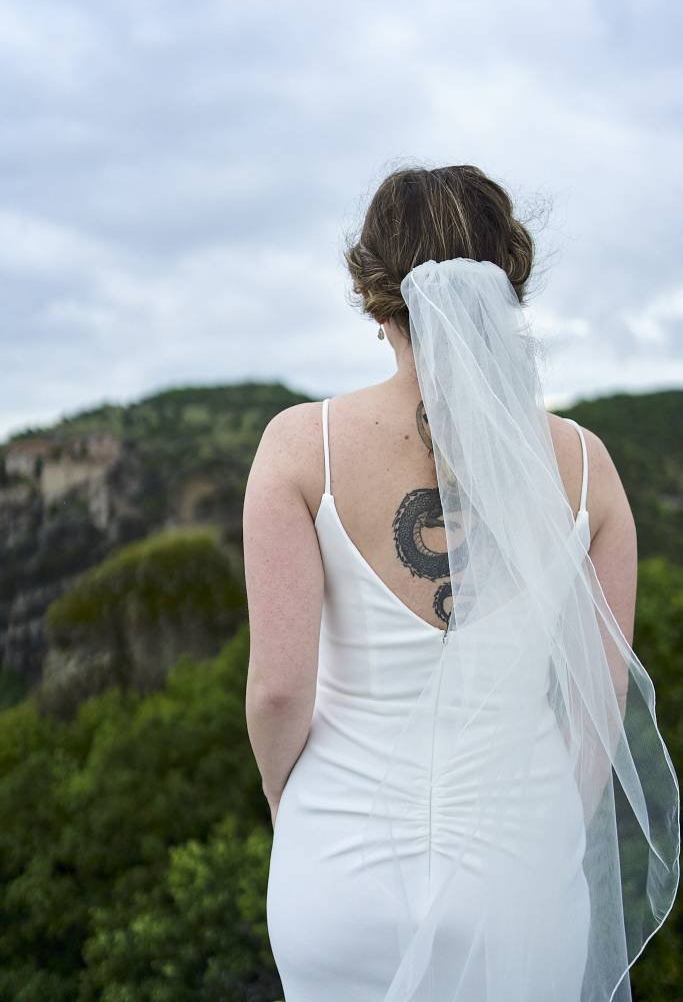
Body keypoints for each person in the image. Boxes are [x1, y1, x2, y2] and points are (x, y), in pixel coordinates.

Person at [242, 165, 679, 1001]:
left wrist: (283, 801)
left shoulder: (301, 448)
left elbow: (277, 693)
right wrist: (549, 824)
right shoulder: (587, 466)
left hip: (337, 872)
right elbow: (599, 701)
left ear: (375, 299)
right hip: (521, 880)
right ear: (507, 283)